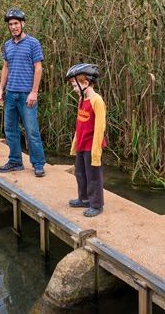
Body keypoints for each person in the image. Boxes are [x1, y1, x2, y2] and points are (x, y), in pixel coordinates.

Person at [0, 8, 47, 177]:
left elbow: (38, 68)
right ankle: (15, 161)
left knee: (32, 131)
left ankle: (38, 164)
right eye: (10, 24)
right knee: (10, 130)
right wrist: (1, 89)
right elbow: (6, 67)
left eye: (16, 23)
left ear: (22, 24)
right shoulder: (8, 45)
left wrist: (34, 92)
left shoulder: (33, 43)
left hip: (27, 95)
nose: (13, 27)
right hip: (11, 94)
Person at [65, 63, 105, 217]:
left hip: (91, 146)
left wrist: (96, 151)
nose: (74, 89)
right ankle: (84, 198)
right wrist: (75, 143)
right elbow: (79, 124)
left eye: (75, 85)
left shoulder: (97, 101)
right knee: (80, 172)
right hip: (82, 143)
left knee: (93, 175)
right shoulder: (82, 99)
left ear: (86, 83)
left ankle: (96, 204)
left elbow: (100, 127)